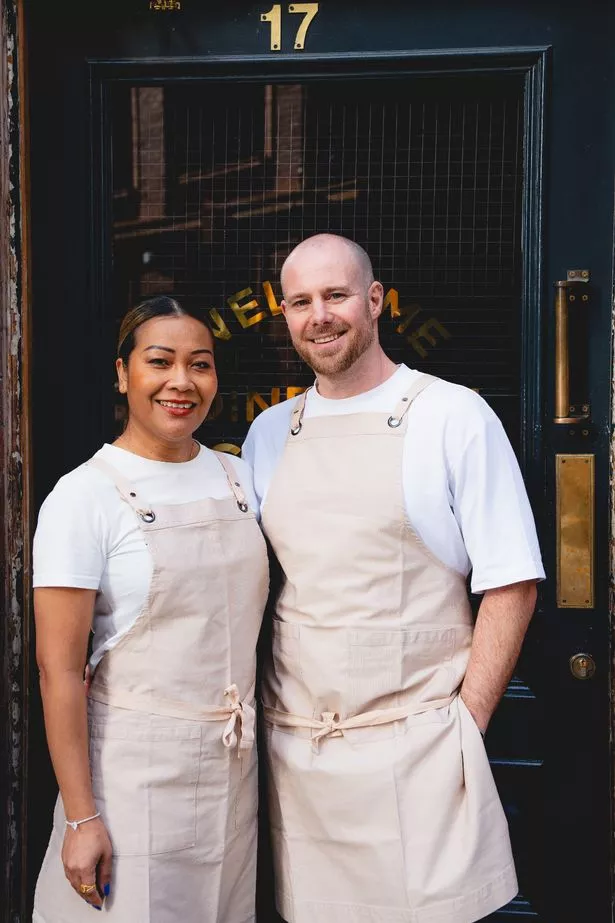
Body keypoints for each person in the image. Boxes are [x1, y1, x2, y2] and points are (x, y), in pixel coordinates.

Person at [242, 234, 545, 923]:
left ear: (375, 301)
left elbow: (512, 583)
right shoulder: (269, 433)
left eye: (337, 295)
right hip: (300, 760)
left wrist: (466, 725)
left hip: (418, 760)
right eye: (300, 301)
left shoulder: (452, 414)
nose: (319, 315)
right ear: (285, 314)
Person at [33, 295, 269, 922]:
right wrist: (80, 817)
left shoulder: (239, 478)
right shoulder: (84, 496)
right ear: (123, 374)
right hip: (131, 781)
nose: (181, 382)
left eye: (200, 364)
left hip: (231, 774)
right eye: (160, 362)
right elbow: (59, 672)